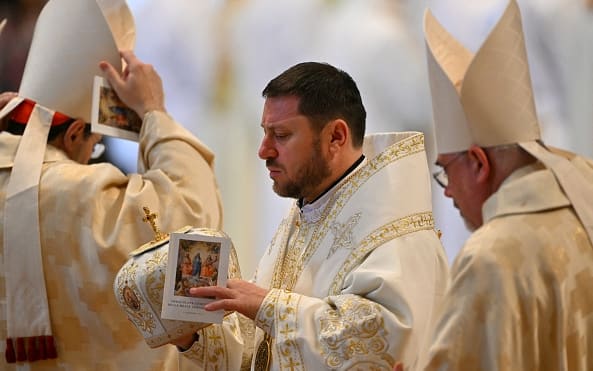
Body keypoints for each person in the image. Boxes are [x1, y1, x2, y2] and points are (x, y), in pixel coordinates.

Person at [174, 61, 449, 370]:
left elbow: (379, 342)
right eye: (264, 133)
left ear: (336, 137)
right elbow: (262, 349)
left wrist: (270, 306)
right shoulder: (309, 210)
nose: (263, 151)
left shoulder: (395, 232)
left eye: (280, 135)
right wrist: (193, 337)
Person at [0, 0, 222, 369]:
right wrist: (155, 112)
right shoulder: (85, 196)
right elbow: (194, 226)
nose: (91, 155)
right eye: (94, 143)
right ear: (73, 133)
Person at [421, 0, 593, 369]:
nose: (446, 191)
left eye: (446, 173)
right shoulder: (585, 195)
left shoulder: (488, 256)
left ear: (479, 163)